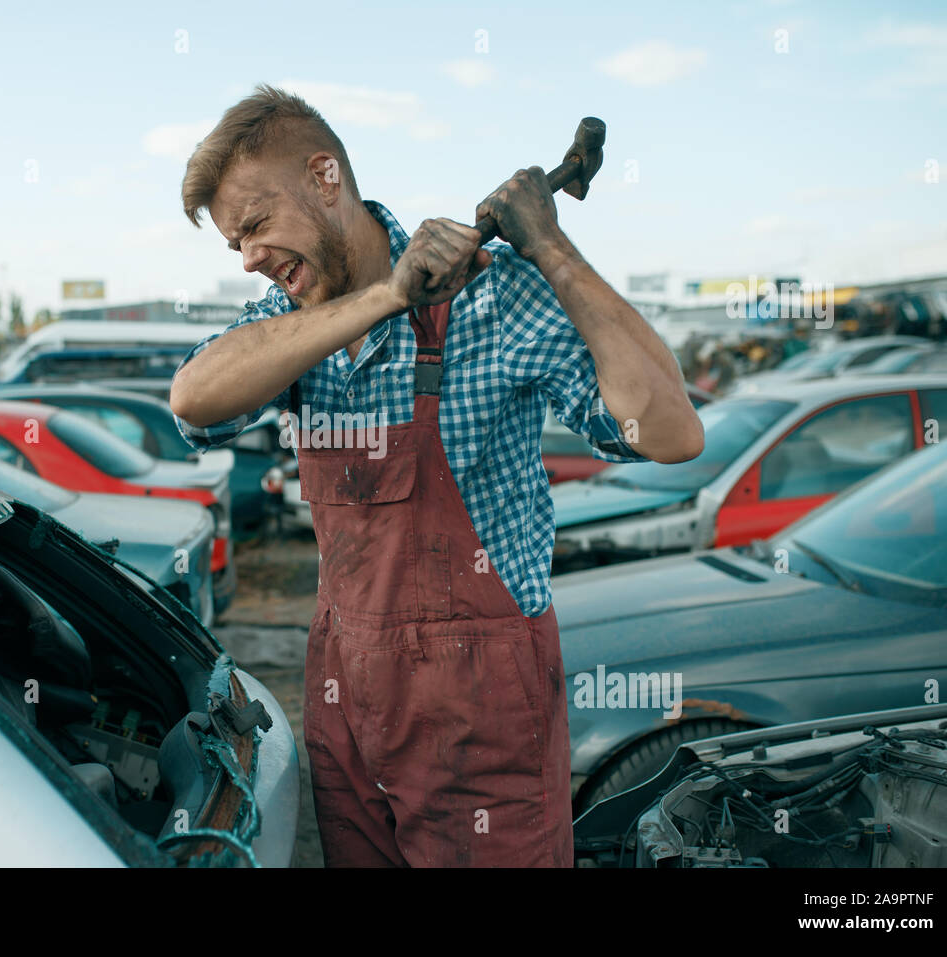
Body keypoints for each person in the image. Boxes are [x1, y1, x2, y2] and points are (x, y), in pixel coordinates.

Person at [169, 84, 703, 867]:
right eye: (232, 246)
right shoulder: (291, 330)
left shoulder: (496, 296)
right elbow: (193, 402)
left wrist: (551, 249)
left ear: (326, 177)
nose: (249, 256)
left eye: (254, 225)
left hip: (478, 717)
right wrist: (386, 297)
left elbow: (670, 430)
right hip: (346, 707)